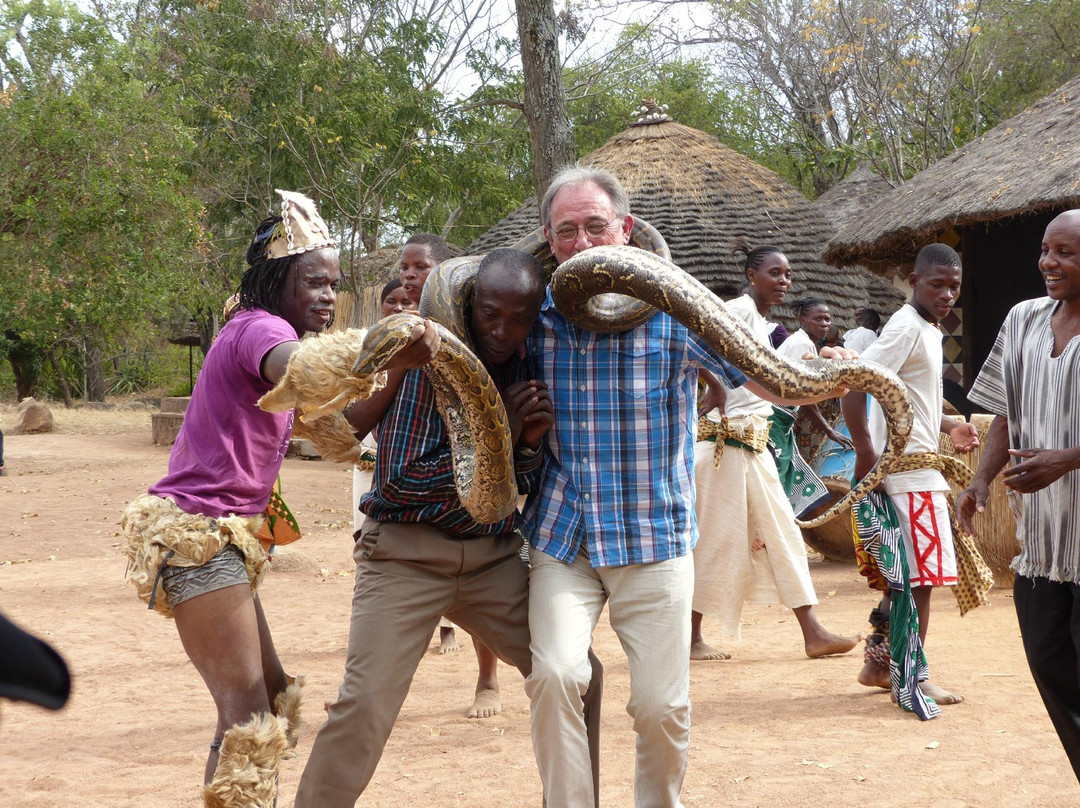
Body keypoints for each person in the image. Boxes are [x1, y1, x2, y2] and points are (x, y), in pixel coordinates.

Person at [521, 167, 849, 808]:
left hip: (654, 538)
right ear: (548, 238)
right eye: (567, 231)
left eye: (596, 226)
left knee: (662, 707)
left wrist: (829, 375)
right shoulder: (532, 316)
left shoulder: (677, 308)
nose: (583, 243)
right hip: (565, 538)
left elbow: (766, 380)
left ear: (626, 229)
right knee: (556, 675)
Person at [119, 190, 437, 807]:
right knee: (246, 716)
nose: (326, 295)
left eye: (333, 284)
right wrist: (385, 343)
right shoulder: (260, 331)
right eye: (313, 283)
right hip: (196, 536)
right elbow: (299, 366)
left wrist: (395, 372)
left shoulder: (270, 335)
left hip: (223, 541)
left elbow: (340, 427)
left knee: (267, 699)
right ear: (275, 281)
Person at [294, 248, 604, 807]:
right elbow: (405, 482)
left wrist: (524, 444)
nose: (502, 330)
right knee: (363, 706)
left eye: (518, 318)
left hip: (493, 558)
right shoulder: (426, 362)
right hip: (405, 556)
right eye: (490, 313)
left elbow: (516, 487)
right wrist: (499, 431)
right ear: (471, 301)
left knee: (580, 675)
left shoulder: (529, 365)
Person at [956, 209, 1080, 779]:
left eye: (1067, 253)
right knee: (1050, 667)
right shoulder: (1023, 319)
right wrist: (981, 480)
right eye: (1045, 250)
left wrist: (1068, 457)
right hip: (1043, 546)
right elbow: (1006, 409)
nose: (1049, 263)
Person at [690, 250, 859, 664]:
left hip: (750, 444)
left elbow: (771, 380)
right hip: (724, 449)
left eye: (788, 275)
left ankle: (812, 631)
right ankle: (691, 637)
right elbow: (694, 340)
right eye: (774, 273)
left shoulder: (764, 325)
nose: (784, 281)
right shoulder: (736, 310)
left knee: (775, 535)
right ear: (751, 275)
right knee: (716, 541)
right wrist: (712, 383)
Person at [353, 266, 504, 717]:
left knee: (488, 604)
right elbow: (355, 424)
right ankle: (369, 691)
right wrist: (396, 365)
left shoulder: (467, 345)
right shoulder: (388, 346)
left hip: (465, 522)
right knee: (384, 596)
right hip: (392, 490)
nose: (409, 279)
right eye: (403, 271)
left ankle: (487, 680)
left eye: (421, 268)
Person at [843, 243, 979, 705]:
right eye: (937, 284)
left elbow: (910, 402)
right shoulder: (905, 325)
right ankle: (912, 677)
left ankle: (877, 666)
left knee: (907, 579)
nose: (946, 294)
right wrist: (867, 455)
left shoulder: (926, 328)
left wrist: (949, 425)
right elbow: (856, 386)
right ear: (913, 280)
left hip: (917, 471)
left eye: (953, 287)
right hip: (905, 476)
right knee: (918, 584)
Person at [772, 297, 854, 518]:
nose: (825, 323)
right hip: (777, 416)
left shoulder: (806, 343)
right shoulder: (801, 344)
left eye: (828, 319)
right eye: (818, 318)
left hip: (784, 416)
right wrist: (829, 430)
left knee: (784, 472)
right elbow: (805, 396)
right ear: (802, 319)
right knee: (778, 472)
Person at [399, 232, 453, 305]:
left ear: (444, 271)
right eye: (404, 268)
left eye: (420, 267)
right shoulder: (400, 315)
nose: (408, 275)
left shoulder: (465, 315)